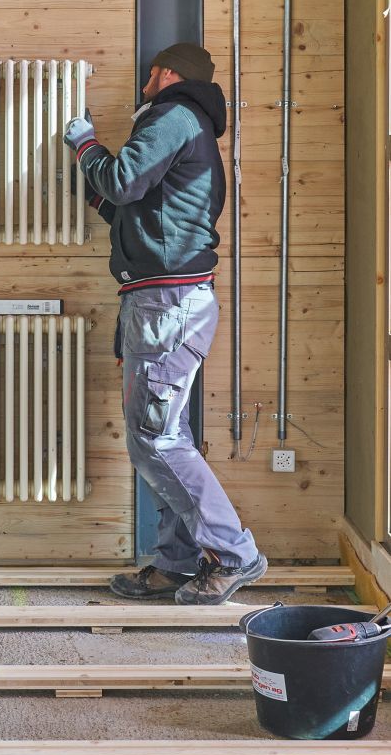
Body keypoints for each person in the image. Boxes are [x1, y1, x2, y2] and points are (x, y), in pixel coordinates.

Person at [64, 42, 267, 605]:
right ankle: (178, 562)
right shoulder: (189, 127)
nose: (145, 82)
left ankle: (234, 554)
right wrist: (93, 183)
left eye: (151, 73)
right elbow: (140, 207)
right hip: (161, 300)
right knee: (153, 436)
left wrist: (85, 146)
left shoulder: (174, 114)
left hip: (167, 304)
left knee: (157, 437)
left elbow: (125, 180)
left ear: (168, 75)